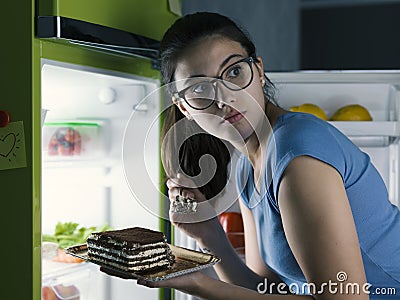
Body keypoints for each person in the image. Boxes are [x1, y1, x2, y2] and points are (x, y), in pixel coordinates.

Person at [106, 12, 400, 299]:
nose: (224, 99)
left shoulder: (298, 154)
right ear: (184, 108)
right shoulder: (247, 164)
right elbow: (263, 288)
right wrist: (210, 236)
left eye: (234, 72)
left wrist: (202, 285)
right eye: (199, 88)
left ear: (258, 71)